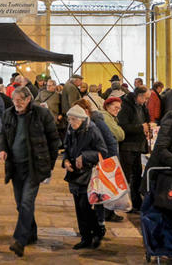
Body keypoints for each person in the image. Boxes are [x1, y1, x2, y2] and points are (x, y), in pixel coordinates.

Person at [0, 86, 60, 257]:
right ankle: (31, 232)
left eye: (20, 100)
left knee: (26, 202)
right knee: (20, 204)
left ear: (28, 100)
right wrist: (2, 149)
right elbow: (2, 134)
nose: (16, 103)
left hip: (34, 166)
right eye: (14, 100)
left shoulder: (42, 114)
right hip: (15, 167)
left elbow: (54, 141)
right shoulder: (8, 114)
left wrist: (50, 166)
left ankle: (20, 240)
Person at [63, 105, 107, 250]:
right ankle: (86, 237)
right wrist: (66, 161)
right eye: (69, 119)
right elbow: (67, 148)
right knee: (79, 207)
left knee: (85, 206)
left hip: (88, 173)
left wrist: (85, 156)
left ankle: (95, 232)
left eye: (73, 119)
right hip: (74, 173)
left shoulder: (92, 130)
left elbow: (102, 152)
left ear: (82, 119)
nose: (71, 122)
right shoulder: (71, 129)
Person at [72, 99, 119, 229]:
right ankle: (92, 226)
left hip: (99, 163)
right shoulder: (78, 124)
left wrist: (110, 163)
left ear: (86, 111)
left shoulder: (96, 122)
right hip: (87, 165)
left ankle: (100, 224)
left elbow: (111, 141)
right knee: (92, 195)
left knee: (98, 194)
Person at [117, 86, 151, 212]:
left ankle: (136, 202)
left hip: (138, 146)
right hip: (127, 146)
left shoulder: (141, 106)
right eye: (146, 98)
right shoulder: (125, 106)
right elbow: (123, 126)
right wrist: (140, 128)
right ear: (139, 96)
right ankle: (124, 203)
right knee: (126, 176)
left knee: (137, 175)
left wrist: (147, 128)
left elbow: (145, 120)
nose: (146, 101)